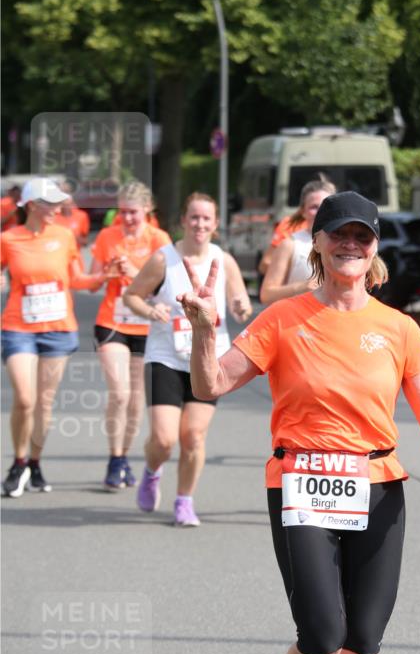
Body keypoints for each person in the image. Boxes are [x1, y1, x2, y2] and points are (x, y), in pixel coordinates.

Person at [181, 190, 420, 654]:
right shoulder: (283, 320)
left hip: (378, 487)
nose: (350, 245)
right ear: (315, 242)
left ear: (373, 251)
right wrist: (206, 329)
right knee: (321, 631)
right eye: (338, 234)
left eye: (362, 237)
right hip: (302, 484)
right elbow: (210, 385)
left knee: (362, 641)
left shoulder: (398, 328)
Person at [123, 192, 252, 526]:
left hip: (208, 360)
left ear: (216, 224)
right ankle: (152, 471)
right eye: (194, 217)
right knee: (164, 440)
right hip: (165, 357)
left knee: (193, 436)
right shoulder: (163, 260)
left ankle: (184, 501)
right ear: (183, 220)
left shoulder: (223, 261)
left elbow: (241, 303)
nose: (200, 224)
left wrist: (241, 307)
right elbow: (132, 295)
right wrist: (151, 310)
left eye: (206, 218)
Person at [0, 177, 109, 497]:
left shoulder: (64, 236)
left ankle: (35, 463)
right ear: (32, 205)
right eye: (51, 203)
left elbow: (76, 278)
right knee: (25, 398)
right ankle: (18, 463)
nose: (58, 208)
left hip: (57, 329)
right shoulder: (9, 238)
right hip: (19, 327)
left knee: (44, 402)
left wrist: (103, 277)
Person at [89, 181, 171, 490]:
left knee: (136, 400)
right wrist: (108, 271)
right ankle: (114, 457)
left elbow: (163, 283)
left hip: (147, 325)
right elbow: (96, 281)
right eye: (122, 212)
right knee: (120, 393)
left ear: (147, 209)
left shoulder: (159, 239)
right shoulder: (108, 236)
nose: (127, 219)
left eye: (133, 212)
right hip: (113, 321)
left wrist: (134, 268)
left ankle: (124, 458)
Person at [259, 178, 335, 304]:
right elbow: (266, 294)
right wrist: (301, 287)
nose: (320, 212)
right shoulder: (290, 244)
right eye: (314, 207)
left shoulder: (349, 243)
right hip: (299, 320)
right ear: (303, 212)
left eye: (325, 206)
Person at [53, 184, 91, 249]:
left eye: (66, 192)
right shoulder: (51, 217)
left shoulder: (81, 216)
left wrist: (71, 236)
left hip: (74, 257)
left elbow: (85, 242)